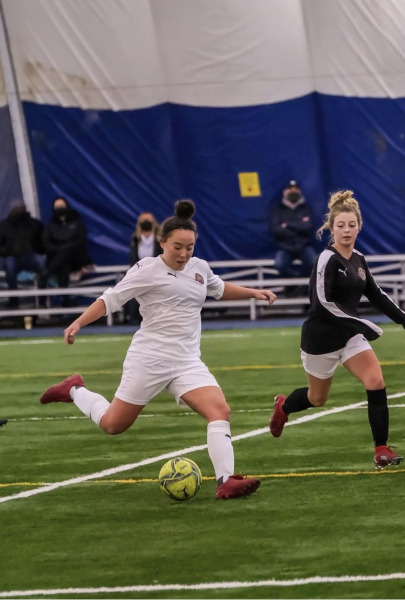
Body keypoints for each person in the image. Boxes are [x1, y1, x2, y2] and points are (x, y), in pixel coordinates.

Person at [40, 200, 277, 500]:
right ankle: (74, 389)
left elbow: (218, 288)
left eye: (189, 247)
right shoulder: (146, 269)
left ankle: (226, 481)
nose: (183, 253)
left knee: (220, 410)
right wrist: (78, 322)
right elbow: (110, 300)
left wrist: (253, 292)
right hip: (149, 359)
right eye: (177, 246)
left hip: (187, 360)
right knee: (114, 425)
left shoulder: (199, 268)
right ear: (162, 242)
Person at [269, 190, 405, 469]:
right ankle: (283, 407)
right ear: (331, 229)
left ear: (359, 226)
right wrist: (362, 323)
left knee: (376, 382)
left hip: (350, 336)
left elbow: (377, 294)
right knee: (316, 399)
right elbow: (322, 302)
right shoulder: (326, 260)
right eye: (341, 225)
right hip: (320, 340)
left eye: (352, 225)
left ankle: (381, 450)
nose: (347, 230)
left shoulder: (358, 259)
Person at [41, 197, 92, 302]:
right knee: (63, 265)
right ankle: (66, 300)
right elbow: (46, 243)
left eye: (62, 206)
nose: (60, 209)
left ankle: (47, 272)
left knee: (66, 251)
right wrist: (60, 250)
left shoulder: (77, 222)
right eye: (57, 207)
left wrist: (66, 248)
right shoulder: (51, 225)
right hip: (60, 260)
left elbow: (81, 240)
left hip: (76, 259)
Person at [270, 180, 317, 294]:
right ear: (284, 192)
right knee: (280, 265)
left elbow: (307, 227)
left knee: (314, 264)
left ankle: (303, 287)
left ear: (300, 191)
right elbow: (276, 230)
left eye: (295, 189)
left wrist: (287, 225)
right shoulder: (278, 210)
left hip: (303, 245)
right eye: (290, 190)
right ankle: (296, 283)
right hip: (285, 246)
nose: (293, 192)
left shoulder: (306, 208)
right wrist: (298, 225)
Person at [0, 200, 45, 308]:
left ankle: (42, 301)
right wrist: (8, 251)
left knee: (42, 264)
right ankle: (14, 301)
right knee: (9, 266)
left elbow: (42, 243)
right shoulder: (4, 226)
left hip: (30, 256)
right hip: (12, 256)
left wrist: (36, 250)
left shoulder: (35, 224)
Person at [126, 212, 162, 324]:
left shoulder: (159, 239)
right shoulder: (135, 239)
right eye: (143, 222)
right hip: (140, 271)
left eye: (148, 221)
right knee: (134, 292)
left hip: (156, 271)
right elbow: (133, 258)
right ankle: (133, 318)